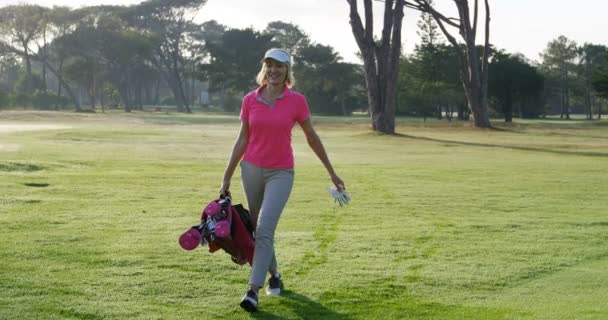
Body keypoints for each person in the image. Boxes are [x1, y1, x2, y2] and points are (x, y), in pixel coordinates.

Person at [219, 48, 345, 312]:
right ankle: (274, 274)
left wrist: (332, 172)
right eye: (270, 65)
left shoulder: (297, 101)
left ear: (288, 71)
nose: (274, 70)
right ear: (264, 69)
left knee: (265, 228)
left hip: (281, 173)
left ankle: (252, 290)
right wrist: (227, 176)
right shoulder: (250, 100)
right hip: (251, 169)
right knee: (259, 229)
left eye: (280, 66)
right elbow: (242, 139)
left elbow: (312, 137)